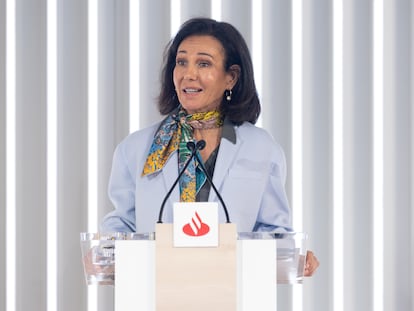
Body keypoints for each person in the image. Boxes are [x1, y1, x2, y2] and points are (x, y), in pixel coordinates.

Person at [100, 17, 319, 276]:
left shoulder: (261, 149)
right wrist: (106, 251)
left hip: (232, 292)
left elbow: (272, 231)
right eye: (181, 62)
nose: (188, 74)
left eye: (203, 63)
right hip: (158, 291)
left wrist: (293, 256)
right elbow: (123, 221)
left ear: (231, 77)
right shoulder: (136, 148)